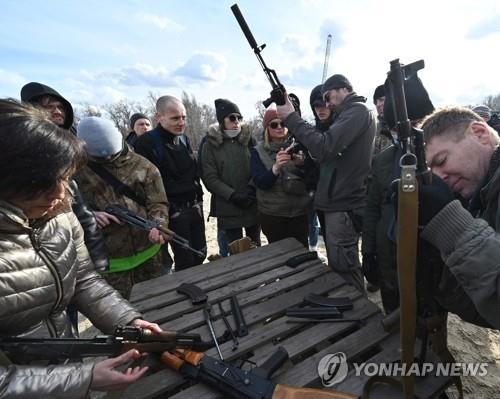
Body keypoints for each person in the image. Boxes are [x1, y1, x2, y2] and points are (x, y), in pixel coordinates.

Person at [0, 99, 161, 397]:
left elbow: (83, 279)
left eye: (64, 178)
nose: (62, 193)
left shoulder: (58, 211)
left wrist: (127, 321)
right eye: (45, 181)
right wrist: (82, 378)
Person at [277, 74, 376, 292]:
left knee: (345, 270)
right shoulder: (350, 114)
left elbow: (324, 147)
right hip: (338, 204)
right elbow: (327, 156)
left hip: (343, 205)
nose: (328, 104)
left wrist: (292, 118)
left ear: (343, 89)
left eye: (328, 97)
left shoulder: (357, 111)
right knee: (340, 267)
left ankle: (357, 319)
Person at [419, 106, 500, 329]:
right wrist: (437, 266)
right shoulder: (481, 196)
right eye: (431, 171)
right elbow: (487, 310)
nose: (439, 178)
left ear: (480, 134)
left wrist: (453, 227)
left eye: (442, 160)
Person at [76, 116, 170, 299]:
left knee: (159, 305)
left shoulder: (143, 165)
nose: (109, 158)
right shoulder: (73, 171)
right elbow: (61, 208)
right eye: (101, 157)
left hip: (149, 255)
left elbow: (158, 202)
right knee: (124, 318)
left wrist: (158, 224)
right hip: (110, 263)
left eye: (113, 154)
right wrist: (89, 216)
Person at [135, 95, 206, 270]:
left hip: (194, 207)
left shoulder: (183, 138)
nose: (181, 122)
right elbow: (144, 186)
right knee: (185, 259)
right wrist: (168, 213)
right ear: (159, 117)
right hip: (172, 212)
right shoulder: (146, 143)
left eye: (183, 117)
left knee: (200, 253)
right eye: (175, 118)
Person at [200, 98, 260, 249]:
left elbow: (259, 166)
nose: (236, 121)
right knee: (235, 251)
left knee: (255, 247)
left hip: (251, 204)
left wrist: (251, 189)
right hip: (228, 207)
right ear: (222, 121)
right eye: (232, 117)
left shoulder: (249, 140)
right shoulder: (210, 145)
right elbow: (210, 177)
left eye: (239, 117)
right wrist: (232, 195)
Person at [251, 104, 311, 247]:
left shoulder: (301, 146)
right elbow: (260, 182)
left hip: (300, 213)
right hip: (273, 215)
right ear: (267, 128)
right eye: (274, 124)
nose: (279, 127)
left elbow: (312, 179)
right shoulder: (257, 151)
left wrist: (302, 165)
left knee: (302, 253)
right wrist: (275, 168)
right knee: (279, 256)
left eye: (283, 123)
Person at [372, 84, 393, 156]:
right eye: (376, 102)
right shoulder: (373, 128)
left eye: (381, 100)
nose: (378, 104)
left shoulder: (407, 125)